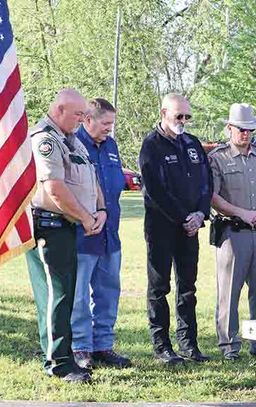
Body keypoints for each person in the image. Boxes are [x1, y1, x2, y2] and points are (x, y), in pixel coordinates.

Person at [26, 89, 105, 383]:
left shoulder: (71, 140)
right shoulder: (45, 139)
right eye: (78, 114)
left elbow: (91, 177)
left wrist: (100, 209)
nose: (83, 119)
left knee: (65, 295)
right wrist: (86, 217)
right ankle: (57, 363)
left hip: (67, 227)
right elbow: (54, 188)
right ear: (59, 110)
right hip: (48, 227)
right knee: (55, 296)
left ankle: (64, 356)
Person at [209, 103, 256, 360]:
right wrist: (240, 212)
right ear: (229, 128)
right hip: (233, 233)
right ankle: (229, 346)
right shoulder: (218, 158)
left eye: (250, 130)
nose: (245, 134)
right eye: (241, 129)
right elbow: (212, 197)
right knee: (229, 293)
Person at [138, 93, 212, 364]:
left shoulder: (191, 143)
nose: (183, 121)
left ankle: (189, 344)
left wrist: (200, 213)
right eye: (178, 116)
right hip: (162, 227)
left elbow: (206, 182)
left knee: (188, 288)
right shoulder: (151, 146)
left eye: (187, 116)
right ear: (163, 113)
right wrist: (184, 216)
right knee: (159, 288)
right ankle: (162, 346)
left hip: (191, 228)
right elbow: (156, 191)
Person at [71, 98, 131, 370]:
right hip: (84, 233)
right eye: (105, 123)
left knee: (109, 292)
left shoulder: (111, 146)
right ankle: (81, 348)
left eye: (112, 124)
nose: (110, 129)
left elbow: (116, 183)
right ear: (87, 120)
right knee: (80, 295)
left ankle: (103, 346)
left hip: (110, 234)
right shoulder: (72, 144)